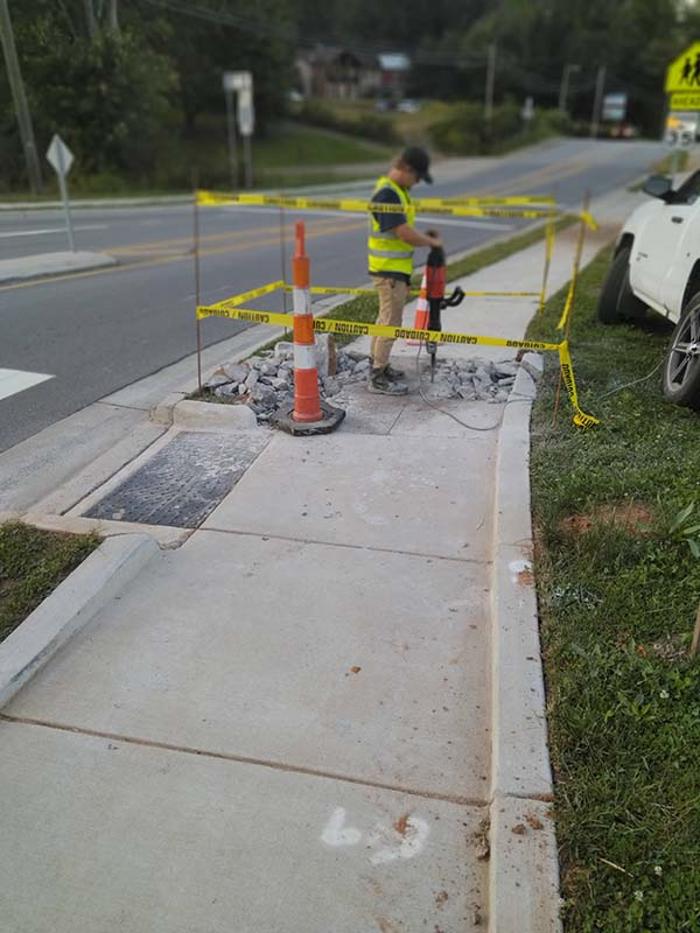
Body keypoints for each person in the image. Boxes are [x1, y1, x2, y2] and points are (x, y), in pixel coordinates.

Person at [367, 146, 442, 395]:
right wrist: (431, 242)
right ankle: (377, 376)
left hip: (392, 270)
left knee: (384, 319)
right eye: (417, 177)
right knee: (391, 322)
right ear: (407, 169)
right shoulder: (388, 194)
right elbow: (404, 233)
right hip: (389, 271)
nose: (417, 182)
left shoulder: (396, 191)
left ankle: (380, 364)